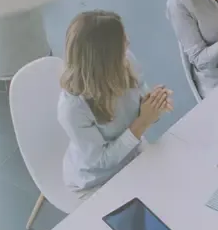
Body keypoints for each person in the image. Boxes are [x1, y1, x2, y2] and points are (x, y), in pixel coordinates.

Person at [57, 11, 173, 192]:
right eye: (122, 41)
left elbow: (142, 103)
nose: (128, 42)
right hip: (98, 181)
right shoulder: (73, 109)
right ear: (104, 59)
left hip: (133, 155)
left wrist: (154, 104)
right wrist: (143, 122)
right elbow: (101, 160)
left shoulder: (126, 61)